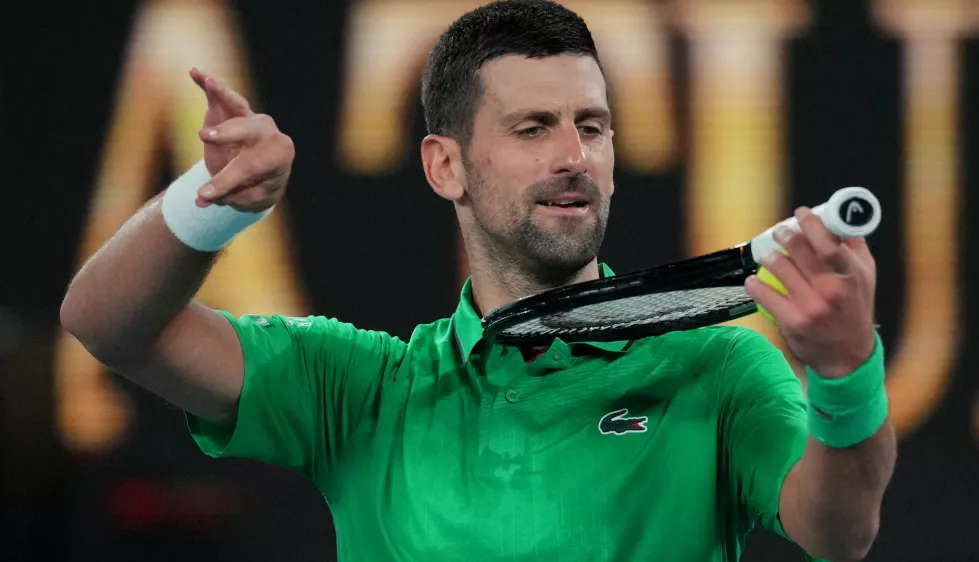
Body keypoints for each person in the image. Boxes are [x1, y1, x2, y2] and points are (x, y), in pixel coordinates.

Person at [60, 1, 897, 560]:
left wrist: (844, 374)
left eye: (592, 127)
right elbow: (105, 321)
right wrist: (213, 206)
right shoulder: (358, 390)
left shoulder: (716, 370)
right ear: (445, 164)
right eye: (533, 128)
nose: (574, 156)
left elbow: (840, 531)